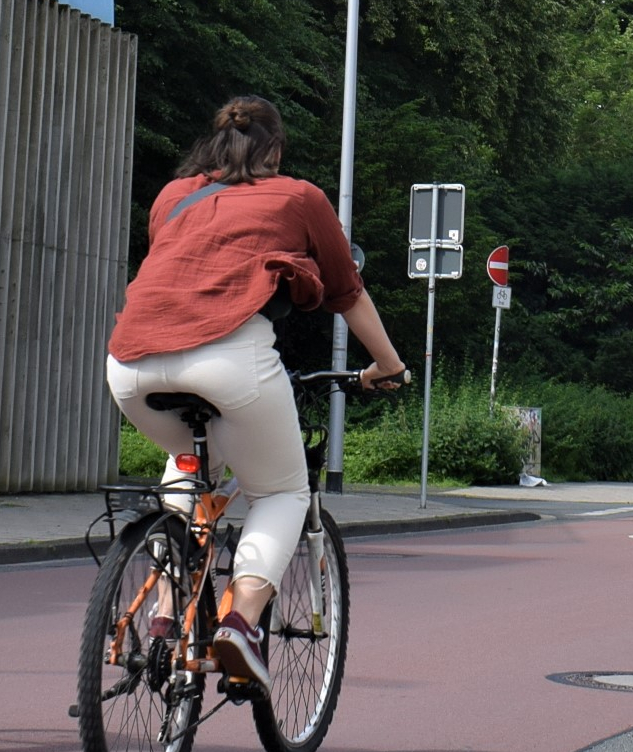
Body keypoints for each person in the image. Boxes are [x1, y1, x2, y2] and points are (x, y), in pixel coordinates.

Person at [105, 95, 407, 685]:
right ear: (275, 149)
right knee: (282, 493)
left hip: (130, 366)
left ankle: (166, 615)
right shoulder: (300, 197)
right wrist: (388, 366)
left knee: (187, 463)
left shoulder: (172, 196)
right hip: (231, 360)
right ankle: (239, 625)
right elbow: (347, 291)